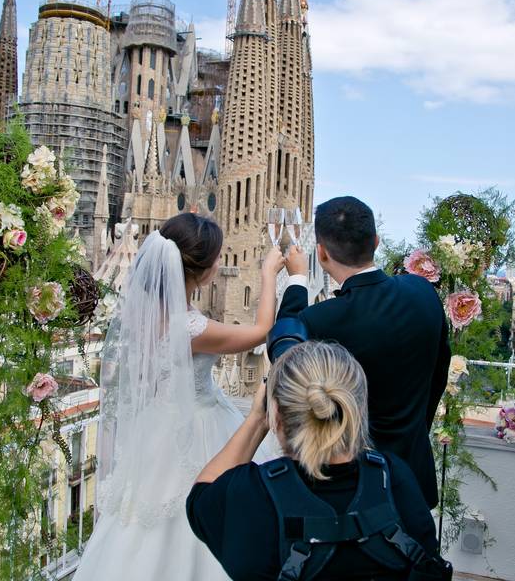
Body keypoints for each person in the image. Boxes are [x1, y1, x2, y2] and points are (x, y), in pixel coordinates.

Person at [73, 213, 284, 581]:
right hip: (198, 425)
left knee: (139, 520)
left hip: (157, 425)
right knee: (203, 511)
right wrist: (269, 274)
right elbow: (263, 330)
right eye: (218, 258)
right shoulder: (191, 328)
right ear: (199, 270)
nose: (221, 264)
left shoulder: (149, 314)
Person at [187, 341, 448, 580]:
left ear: (276, 414)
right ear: (354, 408)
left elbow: (201, 497)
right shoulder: (392, 479)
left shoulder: (253, 495)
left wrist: (257, 420)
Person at [277, 196, 450, 508]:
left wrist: (298, 279)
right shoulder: (423, 292)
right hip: (414, 479)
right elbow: (439, 373)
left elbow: (282, 356)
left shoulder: (319, 321)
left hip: (354, 490)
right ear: (376, 242)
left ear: (322, 252)